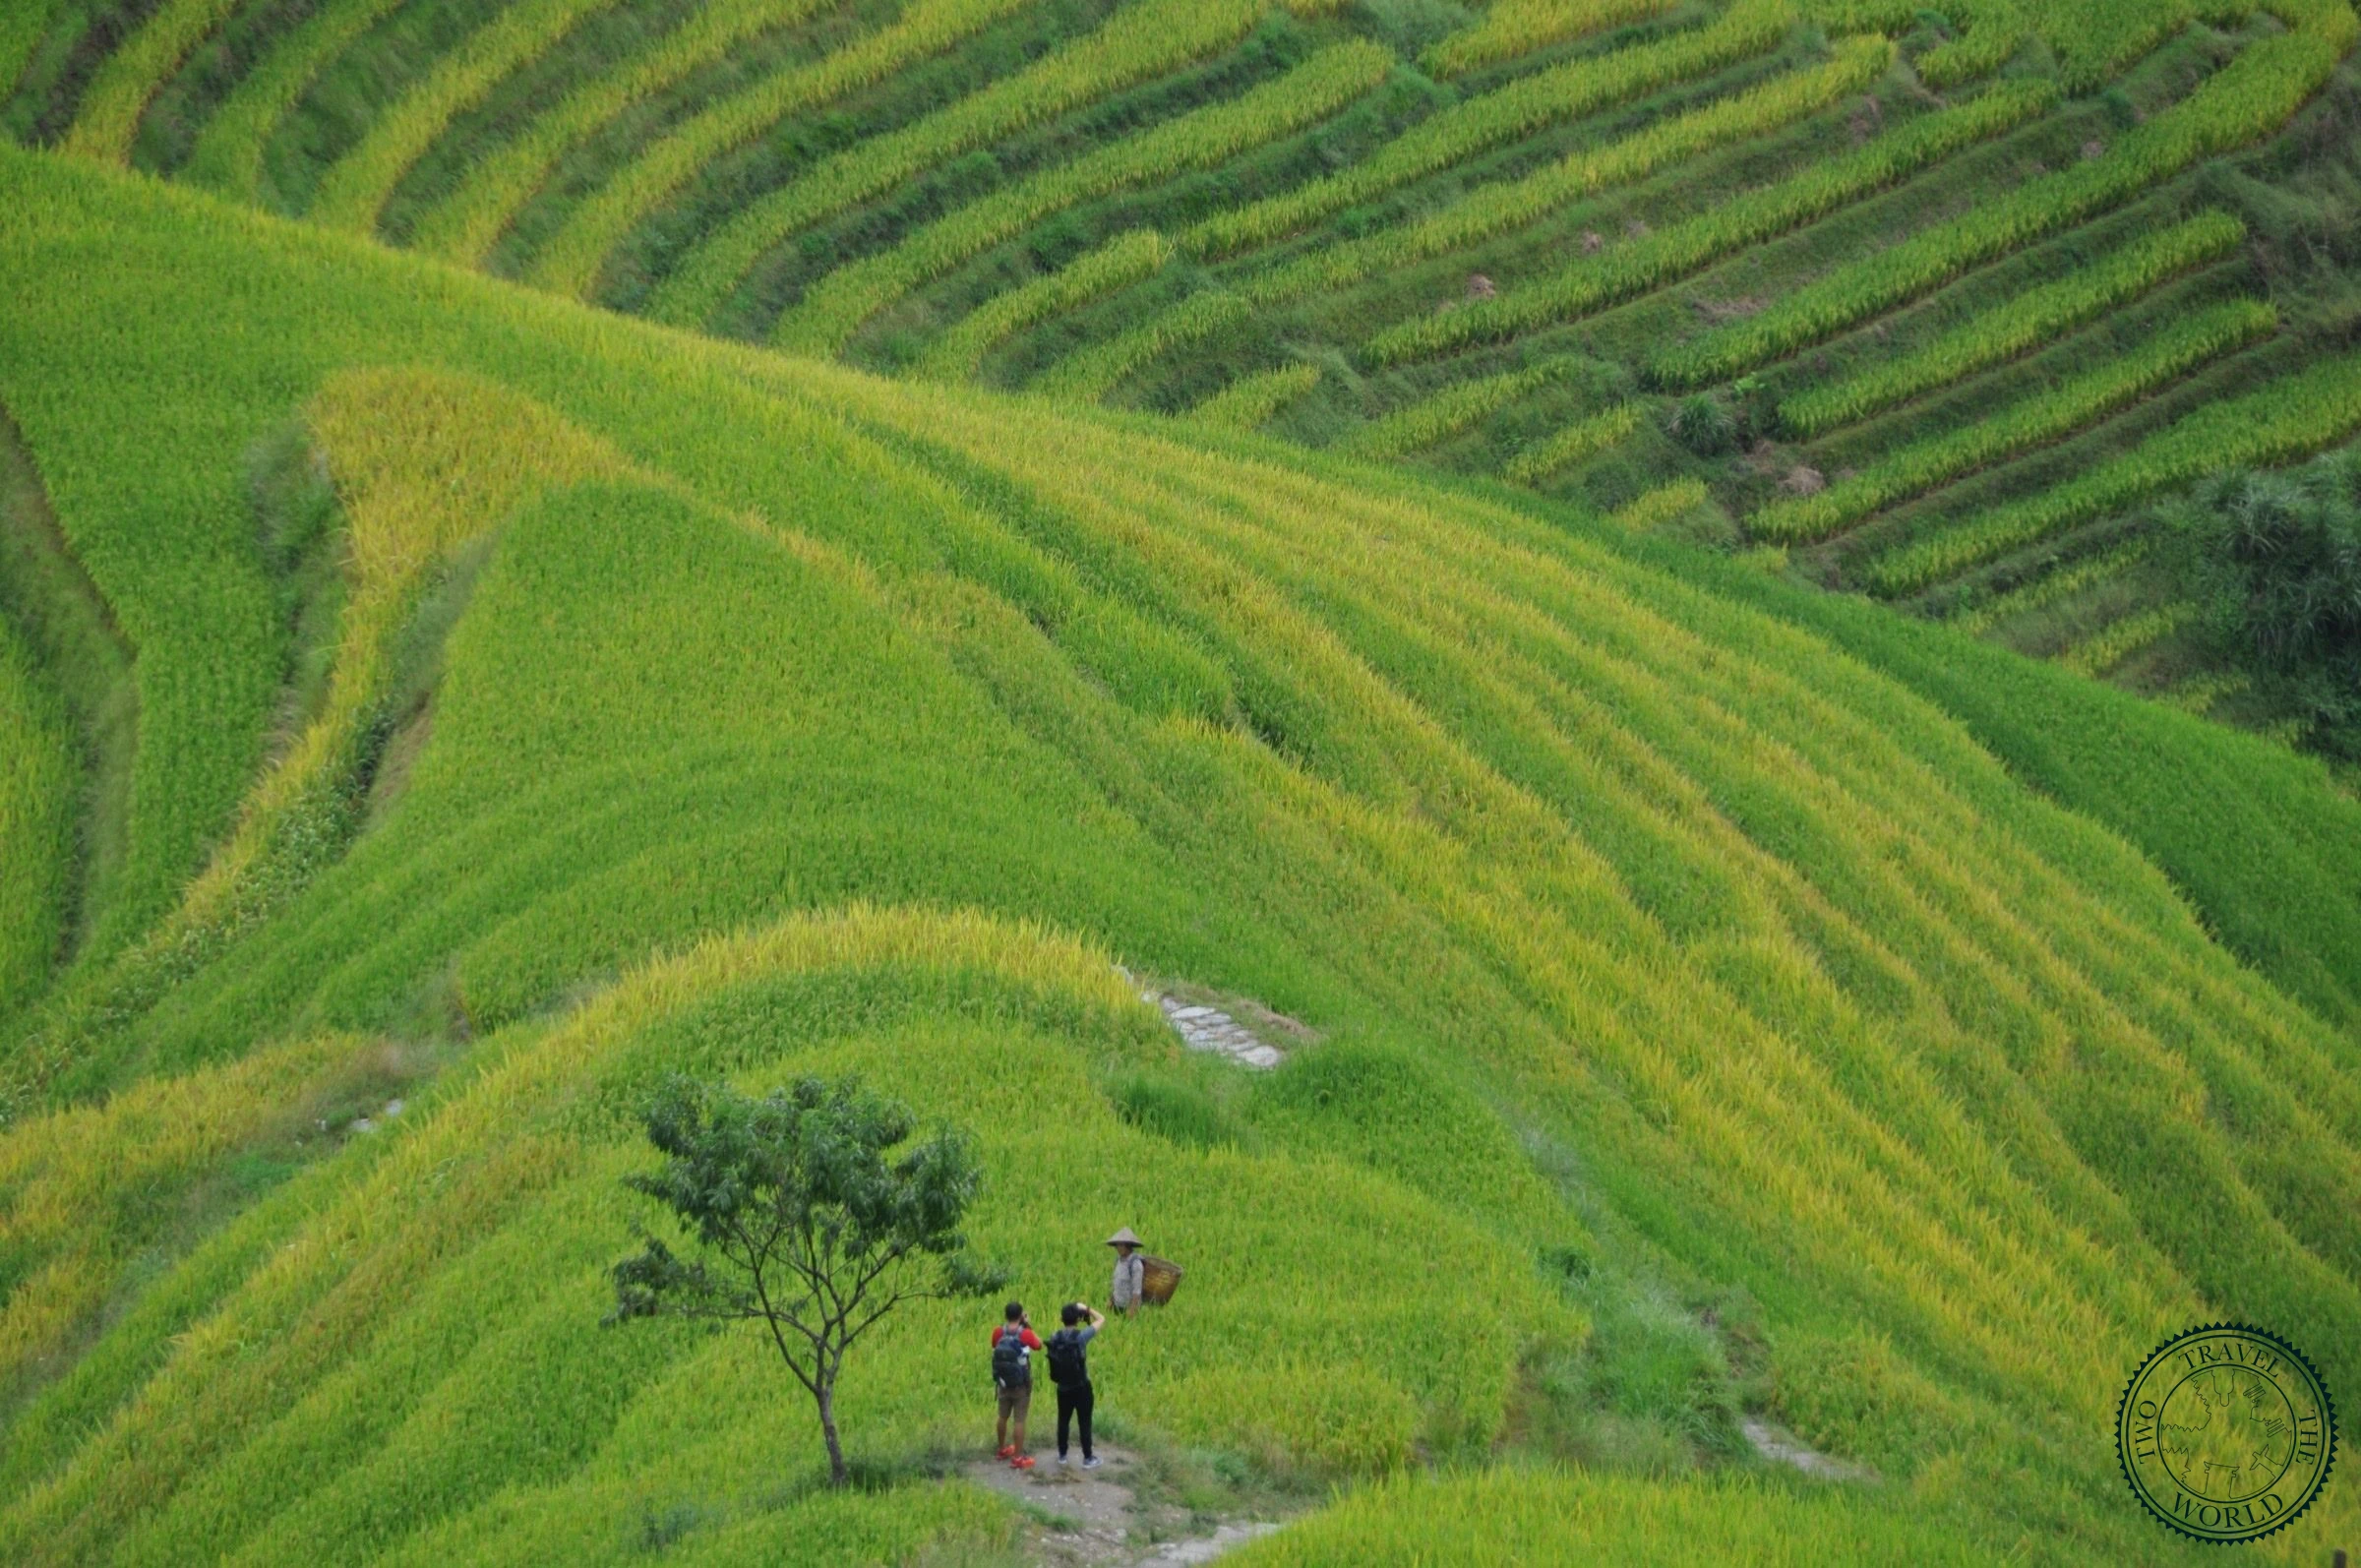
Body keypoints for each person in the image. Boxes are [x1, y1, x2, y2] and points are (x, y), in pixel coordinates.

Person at [1047, 1301, 1105, 1469]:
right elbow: (1101, 1319)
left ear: (1061, 1319)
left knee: (1063, 1420)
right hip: (1081, 1386)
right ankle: (1088, 1458)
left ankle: (1062, 1455)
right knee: (1084, 1422)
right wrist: (1086, 1309)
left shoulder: (1054, 1336)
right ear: (1078, 1320)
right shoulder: (1081, 1337)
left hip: (1062, 1387)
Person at [991, 1300, 1042, 1469]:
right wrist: (1026, 1324)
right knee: (1019, 1420)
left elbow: (994, 1346)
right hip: (1021, 1385)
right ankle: (1018, 1458)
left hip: (1003, 1383)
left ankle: (1001, 1449)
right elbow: (1038, 1345)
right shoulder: (1025, 1333)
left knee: (1002, 1416)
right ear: (1020, 1315)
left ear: (1005, 1315)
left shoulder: (998, 1332)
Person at [1107, 1228, 1146, 1315]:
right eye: (1117, 1245)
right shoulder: (1118, 1260)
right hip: (1117, 1306)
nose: (1118, 1248)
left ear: (1128, 1246)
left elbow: (1137, 1290)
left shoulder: (1135, 1264)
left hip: (1128, 1308)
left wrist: (1132, 1310)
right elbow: (1116, 1282)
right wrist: (1111, 1299)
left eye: (1121, 1245)